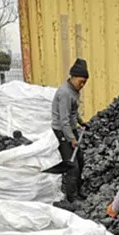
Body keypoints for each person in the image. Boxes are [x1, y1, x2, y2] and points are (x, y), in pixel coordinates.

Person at [51, 58, 89, 204]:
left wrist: (81, 122)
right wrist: (71, 139)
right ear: (73, 77)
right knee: (72, 165)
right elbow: (63, 120)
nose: (82, 85)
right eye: (81, 81)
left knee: (80, 160)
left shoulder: (73, 91)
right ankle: (71, 198)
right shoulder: (65, 93)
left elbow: (74, 111)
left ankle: (78, 191)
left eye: (84, 82)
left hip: (71, 129)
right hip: (62, 131)